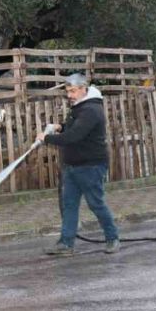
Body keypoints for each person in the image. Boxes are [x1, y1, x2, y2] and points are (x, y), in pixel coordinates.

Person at [36, 74, 120, 255]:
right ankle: (66, 244)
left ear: (84, 88)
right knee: (69, 205)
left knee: (95, 203)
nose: (70, 95)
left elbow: (75, 137)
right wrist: (61, 127)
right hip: (73, 165)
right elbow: (74, 129)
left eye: (73, 91)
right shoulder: (80, 107)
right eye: (68, 91)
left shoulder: (91, 110)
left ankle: (112, 238)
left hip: (90, 165)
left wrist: (47, 138)